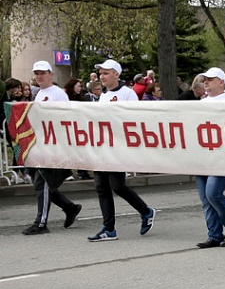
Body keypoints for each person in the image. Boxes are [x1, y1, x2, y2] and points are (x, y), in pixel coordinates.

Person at [88, 59, 157, 242]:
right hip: (102, 147)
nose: (101, 77)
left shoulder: (128, 94)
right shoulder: (102, 95)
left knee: (117, 186)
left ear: (116, 74)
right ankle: (108, 228)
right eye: (100, 73)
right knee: (101, 186)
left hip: (118, 147)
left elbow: (134, 120)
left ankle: (146, 211)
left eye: (105, 73)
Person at [21, 61, 84, 236]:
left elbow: (65, 119)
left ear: (51, 74)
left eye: (42, 73)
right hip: (40, 145)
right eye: (37, 73)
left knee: (44, 183)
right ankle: (70, 207)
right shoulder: (40, 94)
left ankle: (41, 223)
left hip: (53, 146)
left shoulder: (58, 95)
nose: (39, 76)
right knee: (41, 184)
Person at [191, 67, 225, 248]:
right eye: (205, 79)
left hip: (221, 156)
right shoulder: (200, 103)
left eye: (210, 79)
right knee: (206, 199)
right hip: (202, 156)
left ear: (221, 82)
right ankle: (214, 234)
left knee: (213, 194)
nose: (206, 82)